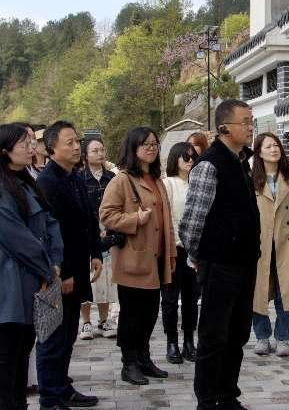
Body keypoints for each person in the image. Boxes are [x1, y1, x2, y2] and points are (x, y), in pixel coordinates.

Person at [0, 123, 63, 410]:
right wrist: (47, 267)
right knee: (9, 347)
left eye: (31, 142)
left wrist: (55, 260)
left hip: (34, 275)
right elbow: (16, 238)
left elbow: (50, 222)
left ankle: (19, 402)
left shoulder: (26, 182)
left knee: (25, 344)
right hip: (10, 279)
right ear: (5, 151)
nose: (31, 148)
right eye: (24, 143)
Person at [179, 99, 261, 410]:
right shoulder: (209, 165)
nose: (251, 127)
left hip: (244, 264)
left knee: (238, 334)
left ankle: (227, 396)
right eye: (245, 122)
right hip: (219, 265)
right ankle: (207, 400)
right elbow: (192, 222)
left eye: (251, 121)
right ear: (224, 128)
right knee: (214, 337)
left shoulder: (241, 161)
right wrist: (200, 257)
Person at [99, 127, 176, 385]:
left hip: (156, 257)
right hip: (133, 258)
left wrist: (171, 253)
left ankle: (144, 358)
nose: (151, 148)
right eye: (146, 144)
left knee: (150, 313)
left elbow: (167, 220)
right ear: (133, 148)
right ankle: (129, 362)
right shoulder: (121, 180)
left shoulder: (157, 180)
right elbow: (107, 214)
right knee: (132, 314)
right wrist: (135, 219)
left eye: (154, 144)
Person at [35, 121, 104, 409]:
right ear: (51, 148)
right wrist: (61, 273)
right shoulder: (47, 182)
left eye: (77, 141)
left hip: (77, 268)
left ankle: (62, 387)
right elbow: (50, 234)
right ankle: (50, 398)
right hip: (58, 273)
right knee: (52, 337)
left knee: (68, 334)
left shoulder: (74, 175)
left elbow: (88, 218)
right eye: (69, 143)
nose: (77, 147)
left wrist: (96, 252)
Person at [250, 132, 289, 358]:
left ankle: (283, 337)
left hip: (286, 243)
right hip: (260, 244)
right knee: (258, 292)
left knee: (286, 291)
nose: (274, 149)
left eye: (276, 146)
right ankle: (262, 336)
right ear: (259, 152)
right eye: (268, 146)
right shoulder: (251, 178)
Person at [160, 142, 200, 364]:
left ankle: (189, 341)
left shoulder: (198, 182)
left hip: (195, 250)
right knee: (170, 299)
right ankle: (171, 342)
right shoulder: (167, 184)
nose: (190, 160)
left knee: (191, 299)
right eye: (185, 157)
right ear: (175, 159)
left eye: (193, 157)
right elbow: (167, 218)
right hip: (173, 249)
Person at [77, 137, 119, 340]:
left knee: (106, 279)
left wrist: (110, 228)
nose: (100, 153)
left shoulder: (112, 177)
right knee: (87, 276)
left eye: (102, 149)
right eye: (95, 151)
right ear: (85, 155)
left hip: (108, 231)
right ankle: (86, 322)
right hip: (86, 232)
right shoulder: (79, 178)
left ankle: (103, 320)